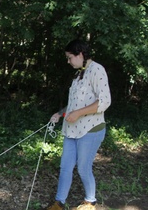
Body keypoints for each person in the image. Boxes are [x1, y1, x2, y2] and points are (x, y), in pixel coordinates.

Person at [46, 39, 111, 210]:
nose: (68, 61)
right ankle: (59, 203)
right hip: (71, 130)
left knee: (83, 168)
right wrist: (60, 114)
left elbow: (104, 102)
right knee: (65, 167)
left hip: (91, 130)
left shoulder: (97, 70)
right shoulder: (78, 73)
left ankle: (90, 201)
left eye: (69, 57)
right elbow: (75, 104)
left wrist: (78, 113)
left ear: (80, 54)